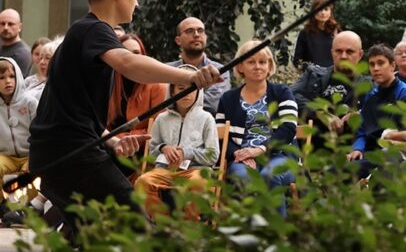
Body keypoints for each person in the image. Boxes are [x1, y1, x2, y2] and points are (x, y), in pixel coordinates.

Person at [28, 0, 220, 231]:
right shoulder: (93, 29)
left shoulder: (82, 34)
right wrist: (190, 76)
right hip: (72, 155)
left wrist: (112, 141)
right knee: (137, 226)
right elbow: (130, 64)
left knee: (92, 238)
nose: (137, 2)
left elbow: (72, 111)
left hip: (56, 154)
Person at [216, 41, 298, 217]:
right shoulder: (227, 99)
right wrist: (239, 154)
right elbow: (221, 136)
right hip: (242, 159)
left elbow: (289, 128)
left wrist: (259, 150)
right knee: (242, 177)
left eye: (262, 62)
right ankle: (247, 228)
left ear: (270, 65)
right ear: (240, 66)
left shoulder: (282, 92)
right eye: (251, 62)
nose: (257, 66)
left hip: (279, 155)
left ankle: (275, 229)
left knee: (271, 175)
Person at [134, 65, 219, 220]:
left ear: (198, 91)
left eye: (192, 89)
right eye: (181, 88)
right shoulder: (161, 119)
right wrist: (163, 148)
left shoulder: (206, 119)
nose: (187, 93)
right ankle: (162, 223)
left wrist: (186, 153)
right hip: (165, 171)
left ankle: (189, 225)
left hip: (195, 171)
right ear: (172, 91)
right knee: (143, 182)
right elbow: (152, 150)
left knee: (198, 182)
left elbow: (213, 155)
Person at [291, 30, 370, 150]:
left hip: (350, 153)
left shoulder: (369, 85)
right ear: (332, 52)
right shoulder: (313, 74)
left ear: (360, 54)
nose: (343, 56)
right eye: (339, 51)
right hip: (311, 150)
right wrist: (319, 113)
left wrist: (360, 114)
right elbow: (290, 95)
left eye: (349, 52)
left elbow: (382, 108)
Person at [346, 44, 406, 178]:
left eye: (380, 63)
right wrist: (357, 148)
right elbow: (362, 130)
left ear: (393, 66)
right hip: (367, 153)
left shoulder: (405, 93)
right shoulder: (371, 95)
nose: (376, 68)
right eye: (372, 64)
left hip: (390, 155)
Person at [107, 34, 167, 155]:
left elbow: (158, 130)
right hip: (108, 148)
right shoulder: (107, 84)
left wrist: (120, 138)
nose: (132, 58)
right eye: (125, 53)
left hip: (142, 152)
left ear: (143, 57)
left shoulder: (158, 86)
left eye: (136, 53)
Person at [167, 16, 231, 115]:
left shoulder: (219, 71)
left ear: (205, 37)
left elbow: (213, 105)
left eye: (200, 31)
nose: (196, 35)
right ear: (178, 40)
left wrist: (178, 104)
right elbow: (160, 102)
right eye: (189, 31)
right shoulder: (168, 70)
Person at [0, 58, 37, 203]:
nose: (8, 81)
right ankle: (2, 206)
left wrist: (34, 155)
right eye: (1, 78)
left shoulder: (30, 102)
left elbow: (40, 133)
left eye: (12, 76)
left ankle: (27, 208)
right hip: (6, 156)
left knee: (33, 171)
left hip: (30, 155)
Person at [293, 0, 340, 69]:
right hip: (312, 73)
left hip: (331, 73)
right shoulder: (305, 33)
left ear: (330, 12)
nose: (323, 13)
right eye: (320, 9)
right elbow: (297, 60)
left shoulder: (336, 32)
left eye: (326, 9)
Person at [24, 37, 59, 101]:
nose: (42, 62)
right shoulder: (29, 81)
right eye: (41, 58)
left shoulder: (58, 86)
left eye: (47, 58)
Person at [0, 9, 32, 77]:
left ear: (19, 27)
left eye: (10, 24)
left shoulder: (22, 53)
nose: (5, 27)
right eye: (2, 24)